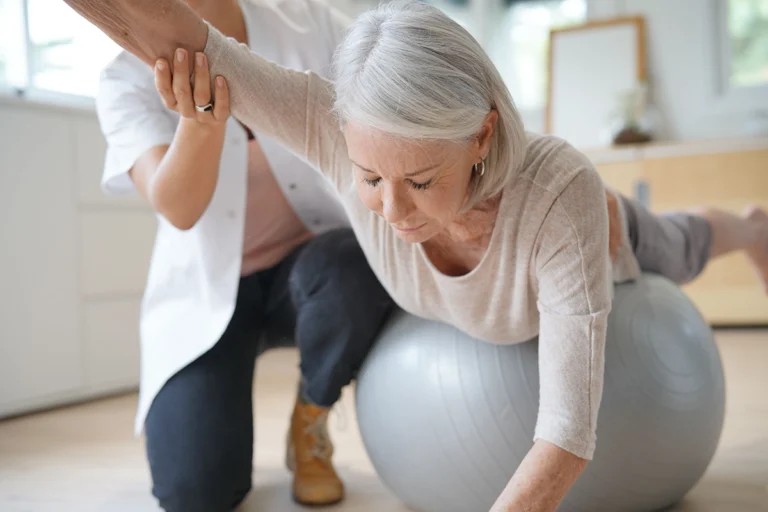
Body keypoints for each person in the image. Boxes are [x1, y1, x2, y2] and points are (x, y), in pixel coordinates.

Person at [71, 0, 768, 509]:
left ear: (480, 137)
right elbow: (191, 43)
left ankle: (751, 227)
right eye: (370, 180)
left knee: (681, 245)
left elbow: (566, 434)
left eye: (421, 182)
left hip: (602, 228)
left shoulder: (561, 196)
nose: (392, 211)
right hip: (220, 289)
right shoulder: (331, 128)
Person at [93, 0, 394, 510]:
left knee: (351, 264)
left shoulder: (312, 24)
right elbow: (179, 208)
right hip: (210, 295)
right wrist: (203, 122)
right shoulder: (123, 81)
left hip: (314, 272)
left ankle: (311, 420)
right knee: (197, 494)